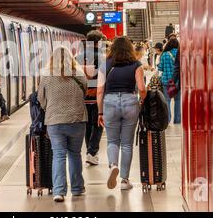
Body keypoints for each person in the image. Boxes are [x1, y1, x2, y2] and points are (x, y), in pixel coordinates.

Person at [38, 47, 88, 202]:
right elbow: (84, 92)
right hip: (77, 120)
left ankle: (59, 192)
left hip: (55, 121)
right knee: (75, 154)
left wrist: (50, 108)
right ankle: (77, 188)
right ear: (71, 59)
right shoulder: (79, 74)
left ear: (52, 59)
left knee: (59, 155)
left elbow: (41, 98)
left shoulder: (46, 75)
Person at [97, 37, 147, 190]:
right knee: (126, 144)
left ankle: (113, 165)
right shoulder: (137, 65)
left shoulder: (105, 65)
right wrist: (140, 101)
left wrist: (100, 112)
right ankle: (125, 180)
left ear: (112, 49)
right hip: (130, 102)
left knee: (112, 141)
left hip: (110, 102)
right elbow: (142, 88)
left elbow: (99, 90)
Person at [75, 30, 106, 166]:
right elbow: (103, 78)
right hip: (96, 96)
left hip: (83, 96)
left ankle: (90, 152)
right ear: (98, 42)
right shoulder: (102, 57)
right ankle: (92, 152)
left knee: (87, 125)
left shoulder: (77, 57)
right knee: (98, 125)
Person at [158, 38, 181, 124]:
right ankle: (177, 120)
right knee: (177, 100)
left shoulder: (164, 54)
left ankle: (167, 119)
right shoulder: (180, 54)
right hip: (177, 81)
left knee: (167, 100)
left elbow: (160, 67)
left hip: (166, 81)